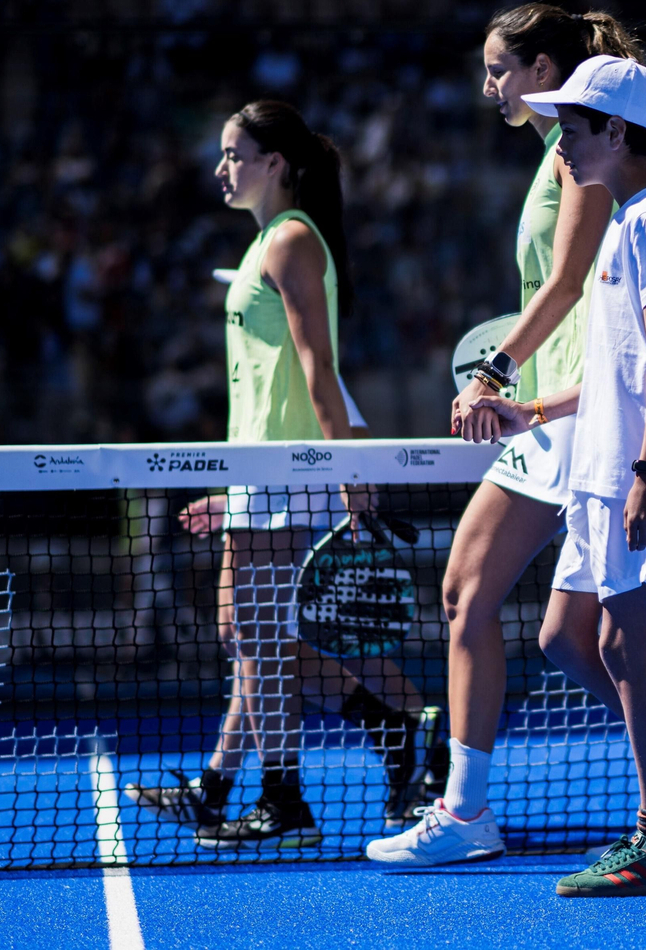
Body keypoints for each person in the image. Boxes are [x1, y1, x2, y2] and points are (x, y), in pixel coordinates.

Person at [365, 5, 646, 868]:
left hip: (597, 427)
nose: (490, 88)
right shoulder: (572, 155)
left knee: (609, 625)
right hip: (572, 412)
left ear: (546, 69)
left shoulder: (605, 181)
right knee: (578, 627)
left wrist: (497, 373)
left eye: (500, 70)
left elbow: (566, 290)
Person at [471, 56, 646, 896]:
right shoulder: (627, 220)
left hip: (637, 475)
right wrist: (535, 411)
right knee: (576, 638)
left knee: (624, 645)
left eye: (574, 122)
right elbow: (616, 370)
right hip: (603, 471)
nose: (560, 137)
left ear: (619, 133)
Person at [123, 101, 437, 848]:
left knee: (252, 638)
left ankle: (286, 802)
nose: (220, 169)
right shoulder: (270, 240)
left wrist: (347, 470)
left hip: (288, 471)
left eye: (234, 154)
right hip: (258, 471)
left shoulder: (293, 240)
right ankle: (373, 732)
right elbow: (268, 385)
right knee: (251, 636)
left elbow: (317, 372)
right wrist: (229, 485)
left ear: (276, 164)